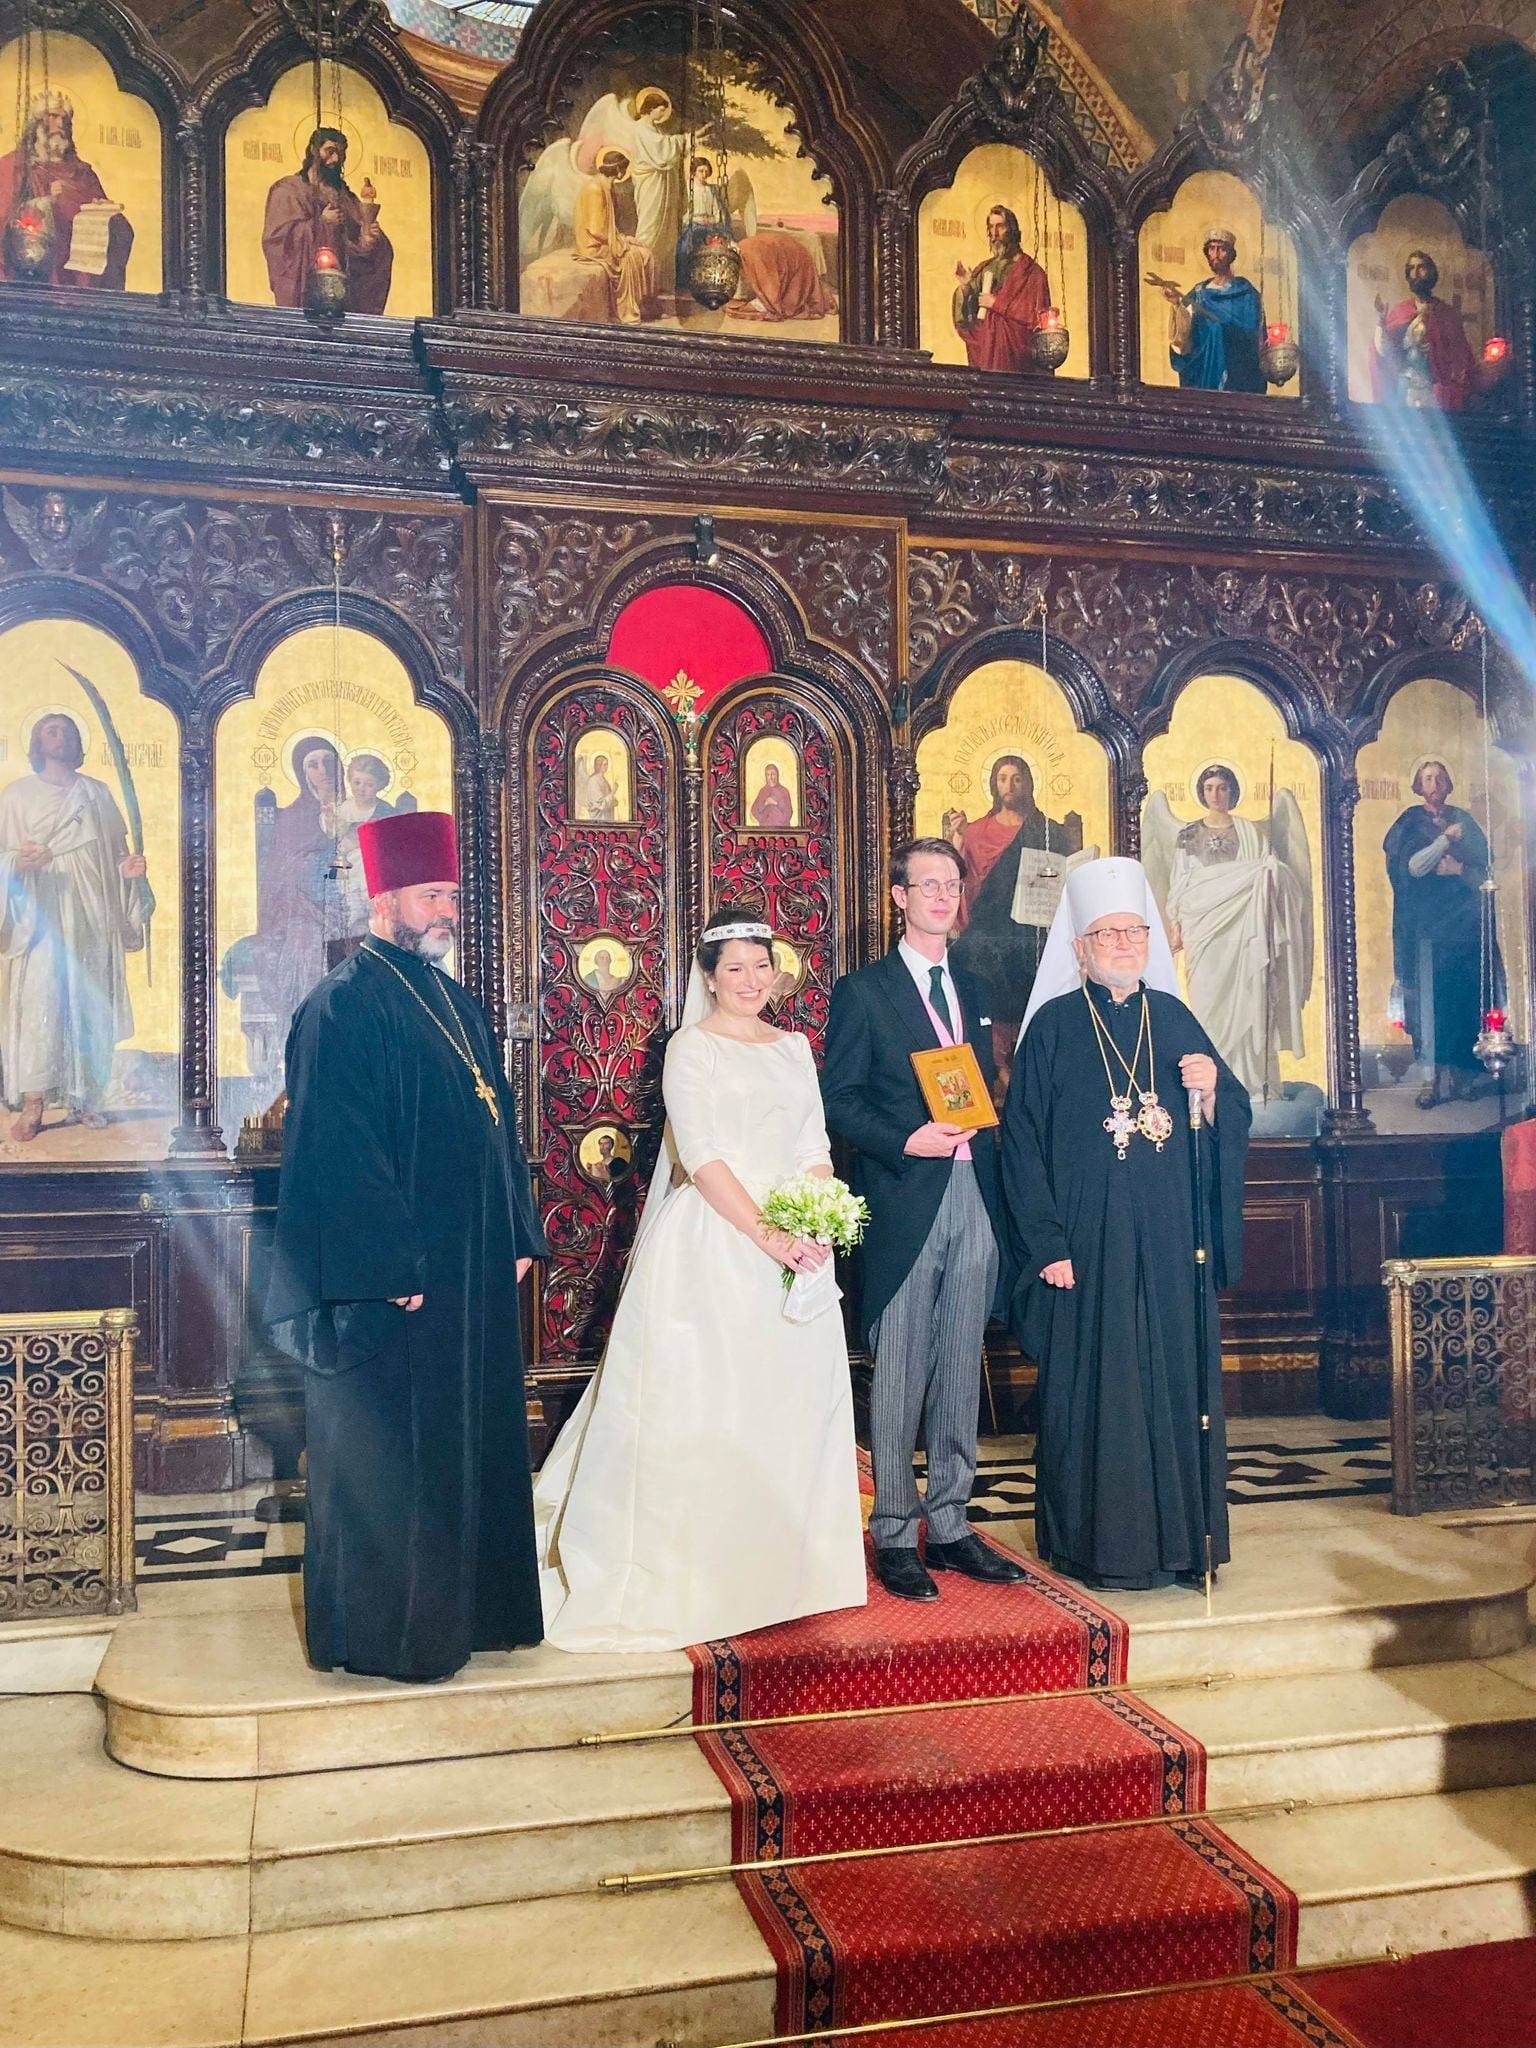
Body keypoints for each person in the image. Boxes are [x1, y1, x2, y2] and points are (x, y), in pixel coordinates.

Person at [535, 908, 866, 1650]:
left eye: (761, 965)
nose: (751, 981)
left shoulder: (793, 1047)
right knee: (707, 1402)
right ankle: (696, 1572)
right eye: (734, 969)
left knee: (786, 1404)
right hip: (716, 1240)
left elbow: (813, 1143)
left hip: (795, 1241)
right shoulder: (692, 1047)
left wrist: (816, 1217)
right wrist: (768, 1235)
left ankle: (788, 1573)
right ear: (709, 978)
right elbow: (704, 1153)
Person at [265, 810, 546, 1682]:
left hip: (472, 1269)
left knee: (467, 1443)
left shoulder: (454, 1001)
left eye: (452, 896)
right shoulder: (341, 1005)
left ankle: (474, 1615)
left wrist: (516, 1229)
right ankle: (391, 1635)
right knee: (393, 1454)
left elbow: (497, 1124)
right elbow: (335, 1151)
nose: (446, 912)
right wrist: (383, 1266)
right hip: (398, 1281)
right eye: (431, 896)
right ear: (383, 900)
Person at [1003, 857, 1250, 1592]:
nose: (1121, 944)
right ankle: (1096, 1546)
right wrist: (1046, 1244)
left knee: (1172, 1384)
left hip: (1170, 1243)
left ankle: (1180, 1544)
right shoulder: (1052, 1028)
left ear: (1150, 940)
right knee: (1095, 1390)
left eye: (1133, 931)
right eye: (1106, 934)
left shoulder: (1171, 1017)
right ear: (1079, 947)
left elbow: (1228, 1114)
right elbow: (1021, 1146)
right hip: (1086, 1246)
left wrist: (1212, 1092)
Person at [821, 838, 1024, 1602]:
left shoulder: (973, 987)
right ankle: (894, 1532)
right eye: (926, 884)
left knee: (961, 1363)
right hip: (906, 1193)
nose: (942, 896)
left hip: (975, 1190)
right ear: (899, 897)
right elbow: (839, 1101)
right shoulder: (864, 991)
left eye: (951, 884)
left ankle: (952, 1522)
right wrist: (907, 1138)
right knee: (901, 1369)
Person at [0, 711, 152, 1142]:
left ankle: (87, 1099)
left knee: (89, 1002)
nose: (60, 736)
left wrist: (128, 871)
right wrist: (17, 863)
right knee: (41, 1003)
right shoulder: (16, 796)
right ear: (37, 742)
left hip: (92, 912)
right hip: (40, 917)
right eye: (51, 731)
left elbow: (115, 854)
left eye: (67, 731)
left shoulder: (97, 793)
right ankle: (34, 1103)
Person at [1144, 764, 1312, 1099]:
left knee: (1250, 999)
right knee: (1206, 1004)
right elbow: (1180, 883)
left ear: (1232, 791)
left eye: (1222, 787)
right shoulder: (1188, 835)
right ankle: (1210, 1082)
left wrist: (1270, 871)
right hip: (1204, 931)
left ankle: (1250, 1081)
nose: (1216, 794)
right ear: (1201, 793)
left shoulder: (1252, 832)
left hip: (1243, 933)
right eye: (1209, 788)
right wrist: (1175, 923)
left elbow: (1277, 878)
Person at [945, 756, 1083, 1069]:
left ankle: (1032, 1061)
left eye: (1017, 778)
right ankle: (992, 1065)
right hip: (988, 928)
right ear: (994, 784)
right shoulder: (977, 832)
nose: (1010, 785)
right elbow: (963, 882)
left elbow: (1065, 879)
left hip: (1033, 930)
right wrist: (957, 842)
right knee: (970, 958)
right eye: (1003, 778)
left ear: (1028, 784)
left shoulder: (1049, 831)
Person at [1384, 758, 1497, 1108]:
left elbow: (1485, 870)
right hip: (1426, 928)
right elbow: (1410, 868)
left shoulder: (1464, 820)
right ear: (1418, 785)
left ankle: (1463, 1077)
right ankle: (1430, 1080)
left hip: (1463, 928)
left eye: (1439, 778)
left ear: (1448, 784)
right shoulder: (1409, 822)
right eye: (1427, 778)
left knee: (1462, 1001)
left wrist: (1460, 869)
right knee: (1429, 1004)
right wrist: (1443, 842)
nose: (1434, 784)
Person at [0, 91, 133, 290]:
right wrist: (45, 201)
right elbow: (6, 217)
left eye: (65, 119)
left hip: (81, 271)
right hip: (36, 272)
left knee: (120, 225)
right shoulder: (13, 166)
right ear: (36, 124)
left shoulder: (83, 172)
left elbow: (111, 221)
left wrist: (102, 211)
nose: (60, 123)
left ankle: (92, 294)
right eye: (53, 116)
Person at [262, 127, 394, 315]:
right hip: (306, 296)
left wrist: (368, 242)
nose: (335, 159)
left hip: (343, 298)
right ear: (313, 150)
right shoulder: (288, 190)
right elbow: (278, 241)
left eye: (341, 153)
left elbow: (354, 247)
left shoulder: (345, 197)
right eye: (330, 151)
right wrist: (321, 224)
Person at [1158, 227, 1265, 394]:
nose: (1216, 254)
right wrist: (1176, 303)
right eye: (1212, 249)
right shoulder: (1199, 291)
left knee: (1217, 329)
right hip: (1203, 368)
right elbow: (1185, 331)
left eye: (1221, 249)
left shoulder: (1245, 291)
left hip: (1235, 369)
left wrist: (1223, 329)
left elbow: (1252, 329)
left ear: (1231, 254)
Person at [1372, 251, 1479, 411]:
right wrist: (1381, 322)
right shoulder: (1401, 312)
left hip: (1434, 390)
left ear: (1431, 272)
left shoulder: (1446, 314)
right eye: (1411, 268)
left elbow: (1460, 357)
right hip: (1407, 386)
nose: (1416, 273)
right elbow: (1385, 351)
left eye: (1421, 267)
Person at [952, 205, 1051, 374]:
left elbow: (1037, 319)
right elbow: (970, 319)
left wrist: (996, 303)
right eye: (990, 227)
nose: (994, 233)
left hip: (1016, 359)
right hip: (987, 350)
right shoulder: (985, 268)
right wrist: (966, 287)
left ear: (1012, 230)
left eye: (1000, 226)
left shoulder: (1032, 273)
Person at [574, 749, 620, 822]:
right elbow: (601, 804)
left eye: (607, 764)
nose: (606, 766)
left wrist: (614, 801)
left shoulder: (603, 780)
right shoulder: (593, 781)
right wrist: (613, 792)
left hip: (607, 816)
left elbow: (608, 800)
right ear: (599, 765)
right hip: (599, 818)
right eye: (604, 764)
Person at [750, 762, 794, 828]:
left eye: (773, 774)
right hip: (765, 828)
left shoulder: (784, 791)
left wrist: (776, 803)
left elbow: (789, 812)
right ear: (766, 776)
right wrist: (765, 804)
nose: (771, 777)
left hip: (781, 828)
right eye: (768, 775)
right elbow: (754, 810)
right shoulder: (763, 791)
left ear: (777, 775)